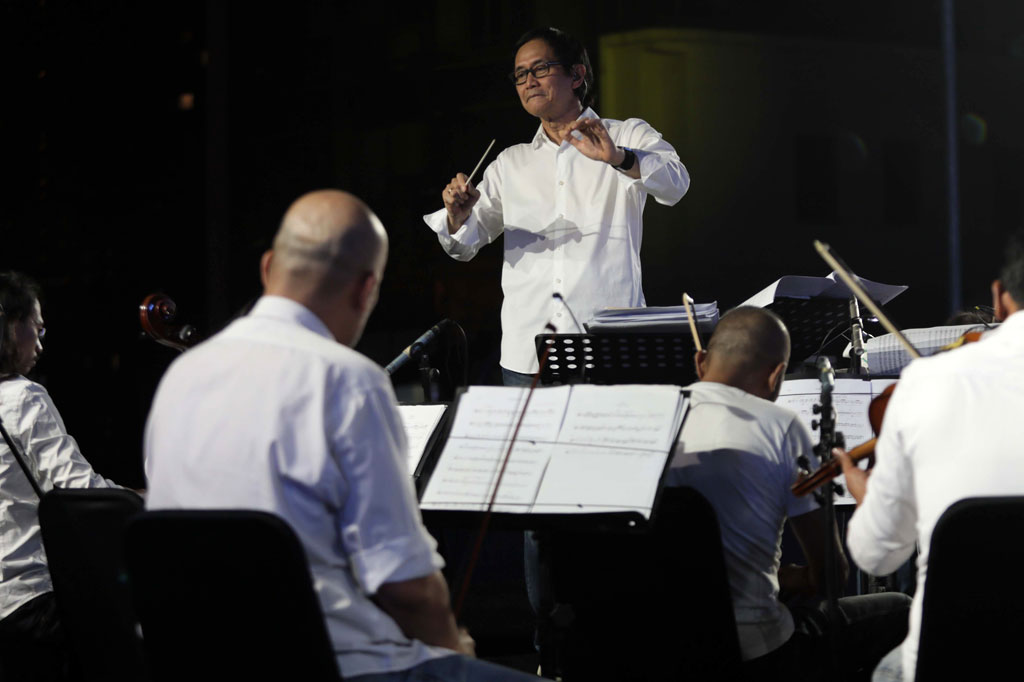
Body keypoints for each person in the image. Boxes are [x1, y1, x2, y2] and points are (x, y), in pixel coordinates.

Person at [144, 190, 536, 682]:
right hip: (340, 666)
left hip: (204, 661)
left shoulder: (180, 378)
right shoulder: (346, 379)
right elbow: (408, 590)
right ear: (365, 290)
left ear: (268, 269)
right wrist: (455, 647)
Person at [424, 26, 690, 385]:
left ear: (577, 74)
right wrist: (457, 218)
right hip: (527, 355)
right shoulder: (510, 163)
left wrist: (620, 158)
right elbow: (464, 246)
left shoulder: (624, 134)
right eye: (520, 74)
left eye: (540, 68)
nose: (528, 80)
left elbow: (677, 184)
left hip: (609, 346)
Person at [667, 306, 910, 681]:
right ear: (777, 375)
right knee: (901, 610)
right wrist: (790, 578)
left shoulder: (652, 419)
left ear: (700, 362)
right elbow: (830, 575)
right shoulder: (780, 426)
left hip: (657, 645)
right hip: (758, 654)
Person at [838, 229, 1024, 681]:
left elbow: (876, 557)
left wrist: (868, 494)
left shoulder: (926, 383)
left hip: (952, 660)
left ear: (998, 301)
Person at [0, 271, 121, 682]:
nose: (39, 342)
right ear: (8, 325)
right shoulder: (22, 396)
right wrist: (143, 496)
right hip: (30, 604)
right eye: (36, 328)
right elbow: (80, 494)